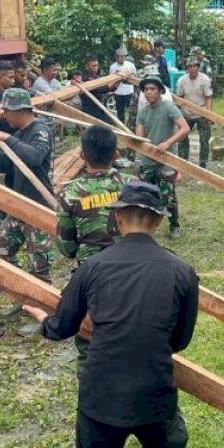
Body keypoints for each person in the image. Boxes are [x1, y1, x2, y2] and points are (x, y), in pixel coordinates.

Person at [23, 181, 198, 448]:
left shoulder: (92, 267)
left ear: (117, 217)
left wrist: (45, 321)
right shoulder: (182, 272)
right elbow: (180, 340)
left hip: (101, 397)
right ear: (159, 220)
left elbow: (62, 327)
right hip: (154, 395)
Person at [56, 124, 134, 379]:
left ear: (82, 155)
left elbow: (67, 248)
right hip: (132, 274)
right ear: (115, 155)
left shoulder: (70, 193)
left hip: (92, 280)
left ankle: (91, 390)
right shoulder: (132, 186)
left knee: (89, 343)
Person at [0, 88, 54, 283]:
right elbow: (4, 166)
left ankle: (41, 296)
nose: (4, 115)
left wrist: (6, 138)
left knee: (40, 265)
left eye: (7, 111)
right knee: (1, 252)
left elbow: (35, 157)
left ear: (21, 111)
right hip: (19, 205)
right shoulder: (19, 133)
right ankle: (22, 288)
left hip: (38, 205)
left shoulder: (41, 130)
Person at [135, 71, 190, 239]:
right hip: (147, 161)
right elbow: (139, 136)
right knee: (144, 196)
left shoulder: (168, 107)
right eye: (146, 89)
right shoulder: (143, 112)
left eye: (152, 89)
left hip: (165, 161)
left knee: (168, 196)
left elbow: (185, 128)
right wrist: (141, 144)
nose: (149, 92)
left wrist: (167, 143)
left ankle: (174, 225)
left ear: (160, 91)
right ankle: (146, 227)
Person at [175, 56, 213, 169]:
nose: (192, 69)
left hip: (201, 111)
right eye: (190, 67)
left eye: (195, 66)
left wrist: (208, 113)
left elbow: (208, 97)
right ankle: (183, 161)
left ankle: (203, 162)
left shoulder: (205, 79)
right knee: (182, 137)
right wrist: (178, 115)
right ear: (187, 68)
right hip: (186, 112)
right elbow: (179, 98)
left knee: (204, 139)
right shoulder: (182, 80)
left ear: (198, 67)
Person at [80, 56, 115, 125]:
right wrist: (116, 80)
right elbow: (101, 89)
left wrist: (117, 81)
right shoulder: (85, 78)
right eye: (93, 66)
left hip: (99, 107)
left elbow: (104, 89)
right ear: (87, 67)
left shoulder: (95, 77)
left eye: (97, 65)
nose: (96, 68)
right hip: (90, 109)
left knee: (111, 124)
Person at [108, 48, 136, 125]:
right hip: (118, 92)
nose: (120, 58)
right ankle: (121, 125)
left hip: (129, 91)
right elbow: (111, 80)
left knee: (132, 110)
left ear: (125, 56)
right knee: (120, 111)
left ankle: (131, 125)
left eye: (122, 56)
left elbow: (135, 76)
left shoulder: (130, 65)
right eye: (118, 56)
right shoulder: (112, 67)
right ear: (115, 57)